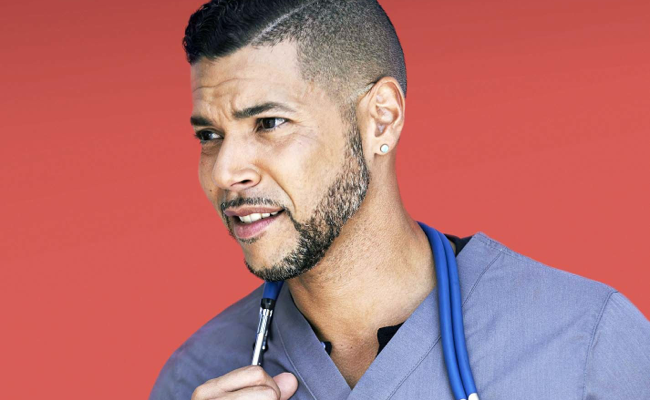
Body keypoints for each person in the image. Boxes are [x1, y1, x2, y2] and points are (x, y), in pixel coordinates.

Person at [149, 0, 650, 398]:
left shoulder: (586, 343)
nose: (225, 172)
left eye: (269, 123)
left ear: (381, 119)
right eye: (209, 135)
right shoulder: (195, 376)